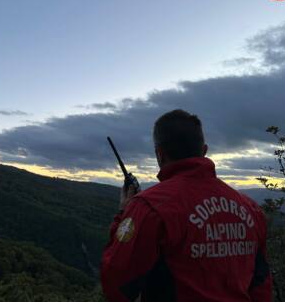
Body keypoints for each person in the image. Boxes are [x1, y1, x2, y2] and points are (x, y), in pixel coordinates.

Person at [101, 109, 272, 302]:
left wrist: (123, 214)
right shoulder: (251, 209)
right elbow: (261, 285)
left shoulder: (149, 207)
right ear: (204, 151)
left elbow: (116, 284)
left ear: (160, 154)